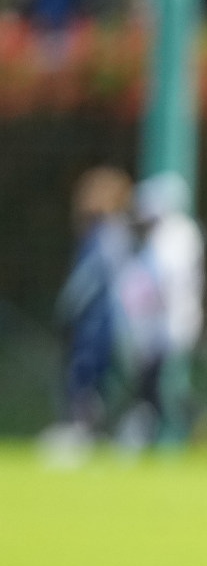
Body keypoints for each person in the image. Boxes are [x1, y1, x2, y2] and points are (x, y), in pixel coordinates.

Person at [114, 172, 206, 449]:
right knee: (152, 385)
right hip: (160, 323)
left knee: (150, 383)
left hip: (167, 324)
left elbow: (162, 282)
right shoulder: (168, 235)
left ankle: (182, 423)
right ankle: (187, 422)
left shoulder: (175, 235)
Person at [47, 166, 133, 452]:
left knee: (84, 377)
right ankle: (91, 432)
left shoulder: (105, 235)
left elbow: (88, 280)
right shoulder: (118, 235)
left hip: (96, 324)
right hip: (107, 323)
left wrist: (66, 311)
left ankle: (82, 432)